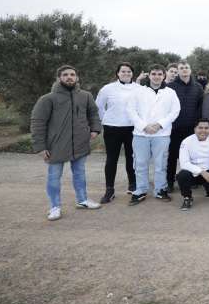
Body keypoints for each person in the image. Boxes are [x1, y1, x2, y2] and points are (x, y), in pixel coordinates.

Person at [31, 65, 102, 220]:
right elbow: (37, 123)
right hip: (55, 145)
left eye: (72, 74)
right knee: (54, 177)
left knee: (80, 173)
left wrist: (95, 129)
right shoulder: (47, 99)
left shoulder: (86, 96)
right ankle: (55, 207)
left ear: (77, 78)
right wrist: (40, 147)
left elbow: (93, 114)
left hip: (80, 143)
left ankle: (82, 200)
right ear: (59, 78)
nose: (69, 77)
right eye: (65, 75)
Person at [126, 64, 181, 204]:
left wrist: (160, 124)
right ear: (149, 75)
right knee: (140, 163)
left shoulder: (170, 92)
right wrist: (144, 126)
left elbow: (175, 111)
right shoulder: (138, 91)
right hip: (141, 134)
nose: (157, 77)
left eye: (159, 74)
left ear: (164, 76)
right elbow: (131, 110)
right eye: (154, 74)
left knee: (161, 164)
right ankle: (140, 190)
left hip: (161, 134)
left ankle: (160, 190)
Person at [95, 62, 142, 203]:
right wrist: (107, 119)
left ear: (132, 74)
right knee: (111, 159)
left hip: (132, 128)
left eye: (129, 71)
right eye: (123, 71)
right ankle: (109, 190)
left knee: (132, 158)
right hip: (112, 128)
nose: (126, 74)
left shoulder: (139, 89)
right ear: (117, 73)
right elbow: (99, 107)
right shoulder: (107, 89)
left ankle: (133, 185)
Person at [167, 61, 204, 192]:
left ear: (190, 70)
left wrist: (198, 125)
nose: (184, 70)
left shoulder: (198, 87)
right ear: (178, 71)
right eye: (181, 68)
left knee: (191, 156)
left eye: (186, 67)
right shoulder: (170, 87)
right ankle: (170, 182)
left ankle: (191, 180)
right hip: (174, 128)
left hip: (191, 128)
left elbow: (200, 107)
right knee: (172, 156)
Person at [176, 119, 209, 211]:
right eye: (200, 128)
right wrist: (201, 172)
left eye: (206, 128)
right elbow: (184, 163)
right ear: (195, 129)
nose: (203, 130)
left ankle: (208, 189)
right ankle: (187, 197)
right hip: (193, 173)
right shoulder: (186, 142)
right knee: (182, 175)